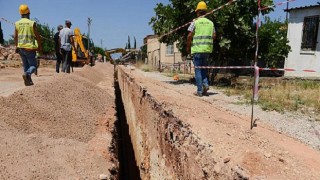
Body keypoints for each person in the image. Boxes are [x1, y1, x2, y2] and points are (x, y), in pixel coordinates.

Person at [187, 1, 216, 97]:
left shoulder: (195, 22)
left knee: (198, 70)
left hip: (197, 49)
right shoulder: (211, 23)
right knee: (203, 69)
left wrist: (188, 47)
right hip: (207, 50)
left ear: (198, 12)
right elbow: (214, 36)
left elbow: (189, 35)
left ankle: (199, 91)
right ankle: (206, 85)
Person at [14, 4, 42, 86]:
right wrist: (40, 46)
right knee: (33, 66)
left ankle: (28, 81)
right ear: (28, 13)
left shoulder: (17, 23)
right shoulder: (31, 23)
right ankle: (28, 74)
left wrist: (17, 46)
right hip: (29, 48)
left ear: (21, 14)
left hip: (21, 48)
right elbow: (37, 36)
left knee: (26, 66)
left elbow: (15, 36)